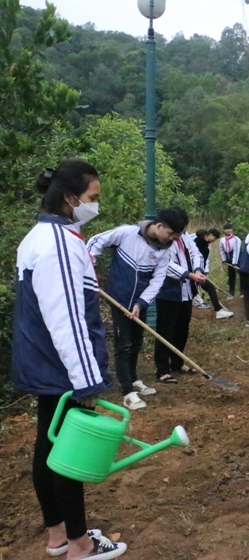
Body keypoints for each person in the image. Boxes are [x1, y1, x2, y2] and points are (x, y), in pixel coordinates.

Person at [13, 160, 128, 559]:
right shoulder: (59, 246)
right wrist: (87, 382)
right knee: (69, 455)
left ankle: (58, 536)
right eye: (92, 198)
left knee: (48, 448)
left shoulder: (38, 237)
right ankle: (81, 544)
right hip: (62, 366)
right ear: (69, 197)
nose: (95, 205)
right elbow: (67, 320)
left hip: (42, 362)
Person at [87, 207, 186, 411]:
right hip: (118, 299)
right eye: (171, 234)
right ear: (159, 226)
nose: (173, 239)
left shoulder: (164, 250)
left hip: (138, 303)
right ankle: (127, 392)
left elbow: (158, 279)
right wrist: (88, 266)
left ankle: (133, 380)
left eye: (177, 236)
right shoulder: (127, 233)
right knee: (123, 345)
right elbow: (97, 241)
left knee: (136, 343)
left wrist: (141, 303)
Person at [153, 211, 207, 384]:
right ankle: (162, 369)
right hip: (168, 292)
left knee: (182, 329)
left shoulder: (185, 238)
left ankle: (177, 363)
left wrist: (198, 270)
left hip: (186, 292)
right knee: (165, 330)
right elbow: (166, 265)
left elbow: (195, 254)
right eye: (177, 231)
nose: (179, 234)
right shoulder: (162, 241)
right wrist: (188, 274)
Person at [189, 228, 233, 320]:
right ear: (210, 235)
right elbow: (200, 260)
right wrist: (201, 272)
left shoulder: (195, 241)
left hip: (194, 272)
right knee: (209, 289)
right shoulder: (203, 247)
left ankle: (218, 310)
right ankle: (219, 311)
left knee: (193, 291)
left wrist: (204, 271)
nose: (214, 240)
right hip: (195, 273)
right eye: (215, 238)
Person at [219, 223, 241, 298]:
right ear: (224, 230)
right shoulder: (222, 240)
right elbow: (221, 250)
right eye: (227, 229)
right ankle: (231, 294)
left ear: (232, 230)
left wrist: (235, 263)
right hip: (229, 261)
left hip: (238, 260)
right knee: (231, 277)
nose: (228, 230)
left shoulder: (236, 239)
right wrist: (224, 259)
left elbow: (236, 251)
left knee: (242, 275)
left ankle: (243, 293)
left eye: (230, 229)